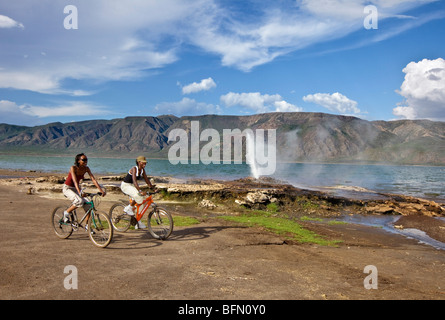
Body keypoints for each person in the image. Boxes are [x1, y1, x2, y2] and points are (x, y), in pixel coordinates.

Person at [62, 153, 106, 227]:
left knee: (89, 205)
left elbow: (93, 179)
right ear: (78, 161)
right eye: (83, 160)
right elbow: (75, 181)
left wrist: (101, 190)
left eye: (86, 160)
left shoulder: (86, 168)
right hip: (68, 188)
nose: (86, 161)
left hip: (76, 188)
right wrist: (80, 192)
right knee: (79, 201)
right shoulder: (73, 168)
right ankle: (66, 213)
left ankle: (87, 226)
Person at [120, 156, 155, 229]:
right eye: (143, 162)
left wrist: (153, 188)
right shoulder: (134, 169)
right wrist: (140, 191)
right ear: (139, 162)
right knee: (138, 195)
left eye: (145, 163)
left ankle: (138, 222)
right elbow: (135, 181)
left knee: (141, 203)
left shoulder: (142, 170)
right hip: (126, 186)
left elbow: (147, 180)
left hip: (132, 186)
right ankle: (129, 208)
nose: (145, 164)